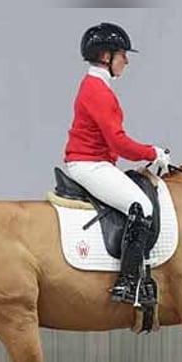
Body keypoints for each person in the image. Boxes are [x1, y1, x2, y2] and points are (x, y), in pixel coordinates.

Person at [63, 22, 171, 304]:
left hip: (96, 163)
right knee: (142, 207)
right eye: (122, 53)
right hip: (90, 164)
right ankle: (127, 283)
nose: (127, 60)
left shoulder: (96, 86)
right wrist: (152, 153)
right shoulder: (97, 90)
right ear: (105, 56)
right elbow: (118, 142)